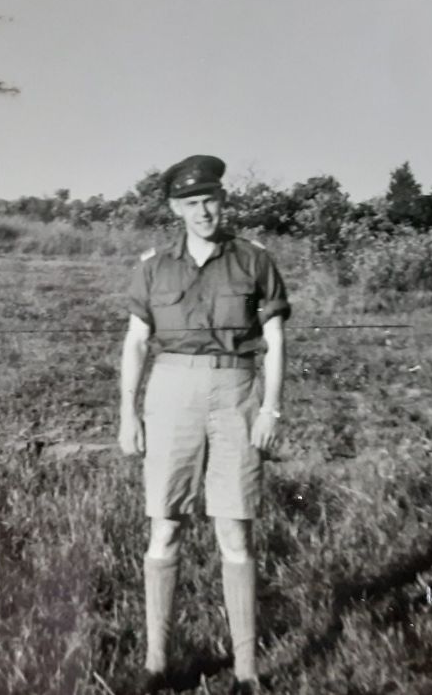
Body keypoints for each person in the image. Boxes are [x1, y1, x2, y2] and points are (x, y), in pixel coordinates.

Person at [119, 154, 291, 694]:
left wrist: (271, 408)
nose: (203, 212)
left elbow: (276, 340)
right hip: (170, 394)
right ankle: (155, 665)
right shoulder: (153, 267)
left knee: (234, 531)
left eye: (210, 200)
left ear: (223, 200)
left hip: (237, 394)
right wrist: (127, 412)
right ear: (176, 209)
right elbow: (136, 342)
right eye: (191, 203)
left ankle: (246, 672)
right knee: (165, 526)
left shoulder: (253, 260)